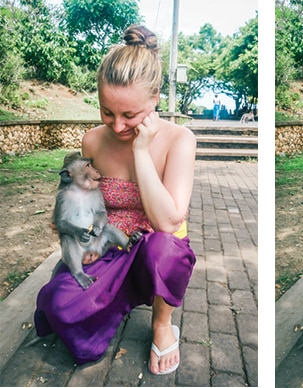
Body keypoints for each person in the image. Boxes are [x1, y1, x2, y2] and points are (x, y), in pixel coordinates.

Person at [34, 25, 198, 376]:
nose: (118, 126)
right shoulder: (93, 141)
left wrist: (141, 152)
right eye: (107, 112)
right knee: (61, 309)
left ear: (155, 100)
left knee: (165, 248)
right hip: (107, 247)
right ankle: (112, 300)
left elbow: (167, 221)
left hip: (153, 250)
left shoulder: (179, 140)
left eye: (130, 115)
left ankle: (162, 322)